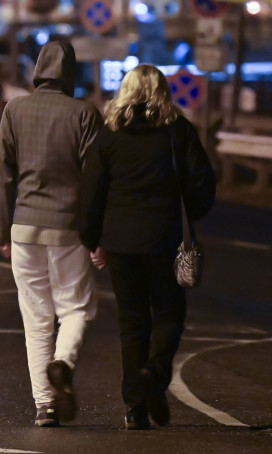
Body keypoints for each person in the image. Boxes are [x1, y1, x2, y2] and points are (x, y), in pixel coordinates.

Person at [79, 64, 216, 431]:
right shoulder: (178, 132)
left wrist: (92, 239)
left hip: (120, 243)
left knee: (132, 322)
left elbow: (92, 192)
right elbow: (202, 185)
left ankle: (135, 407)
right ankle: (154, 373)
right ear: (162, 92)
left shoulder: (109, 135)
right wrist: (194, 211)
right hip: (163, 240)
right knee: (170, 314)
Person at [0, 39, 103, 428]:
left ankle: (44, 405)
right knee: (75, 308)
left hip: (23, 227)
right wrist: (96, 233)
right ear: (71, 73)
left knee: (36, 318)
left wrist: (1, 230)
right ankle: (63, 363)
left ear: (37, 69)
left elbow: (2, 175)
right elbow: (95, 179)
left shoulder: (15, 110)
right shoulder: (85, 114)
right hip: (69, 228)